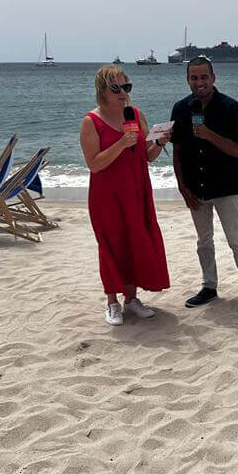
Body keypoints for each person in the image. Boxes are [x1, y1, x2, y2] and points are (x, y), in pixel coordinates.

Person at [80, 65, 170, 325]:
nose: (123, 93)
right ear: (103, 91)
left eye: (126, 87)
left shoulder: (135, 113)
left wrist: (161, 141)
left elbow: (147, 156)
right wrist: (121, 143)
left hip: (137, 188)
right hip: (107, 194)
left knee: (136, 241)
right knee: (111, 244)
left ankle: (131, 299)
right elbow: (94, 164)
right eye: (116, 88)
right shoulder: (91, 121)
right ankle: (112, 303)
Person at [170, 55, 238, 313]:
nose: (199, 82)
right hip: (195, 187)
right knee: (203, 241)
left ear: (213, 78)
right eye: (194, 77)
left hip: (226, 186)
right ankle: (209, 286)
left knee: (236, 240)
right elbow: (177, 150)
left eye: (204, 77)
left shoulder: (231, 107)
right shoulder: (180, 109)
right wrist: (181, 186)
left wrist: (209, 135)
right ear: (187, 80)